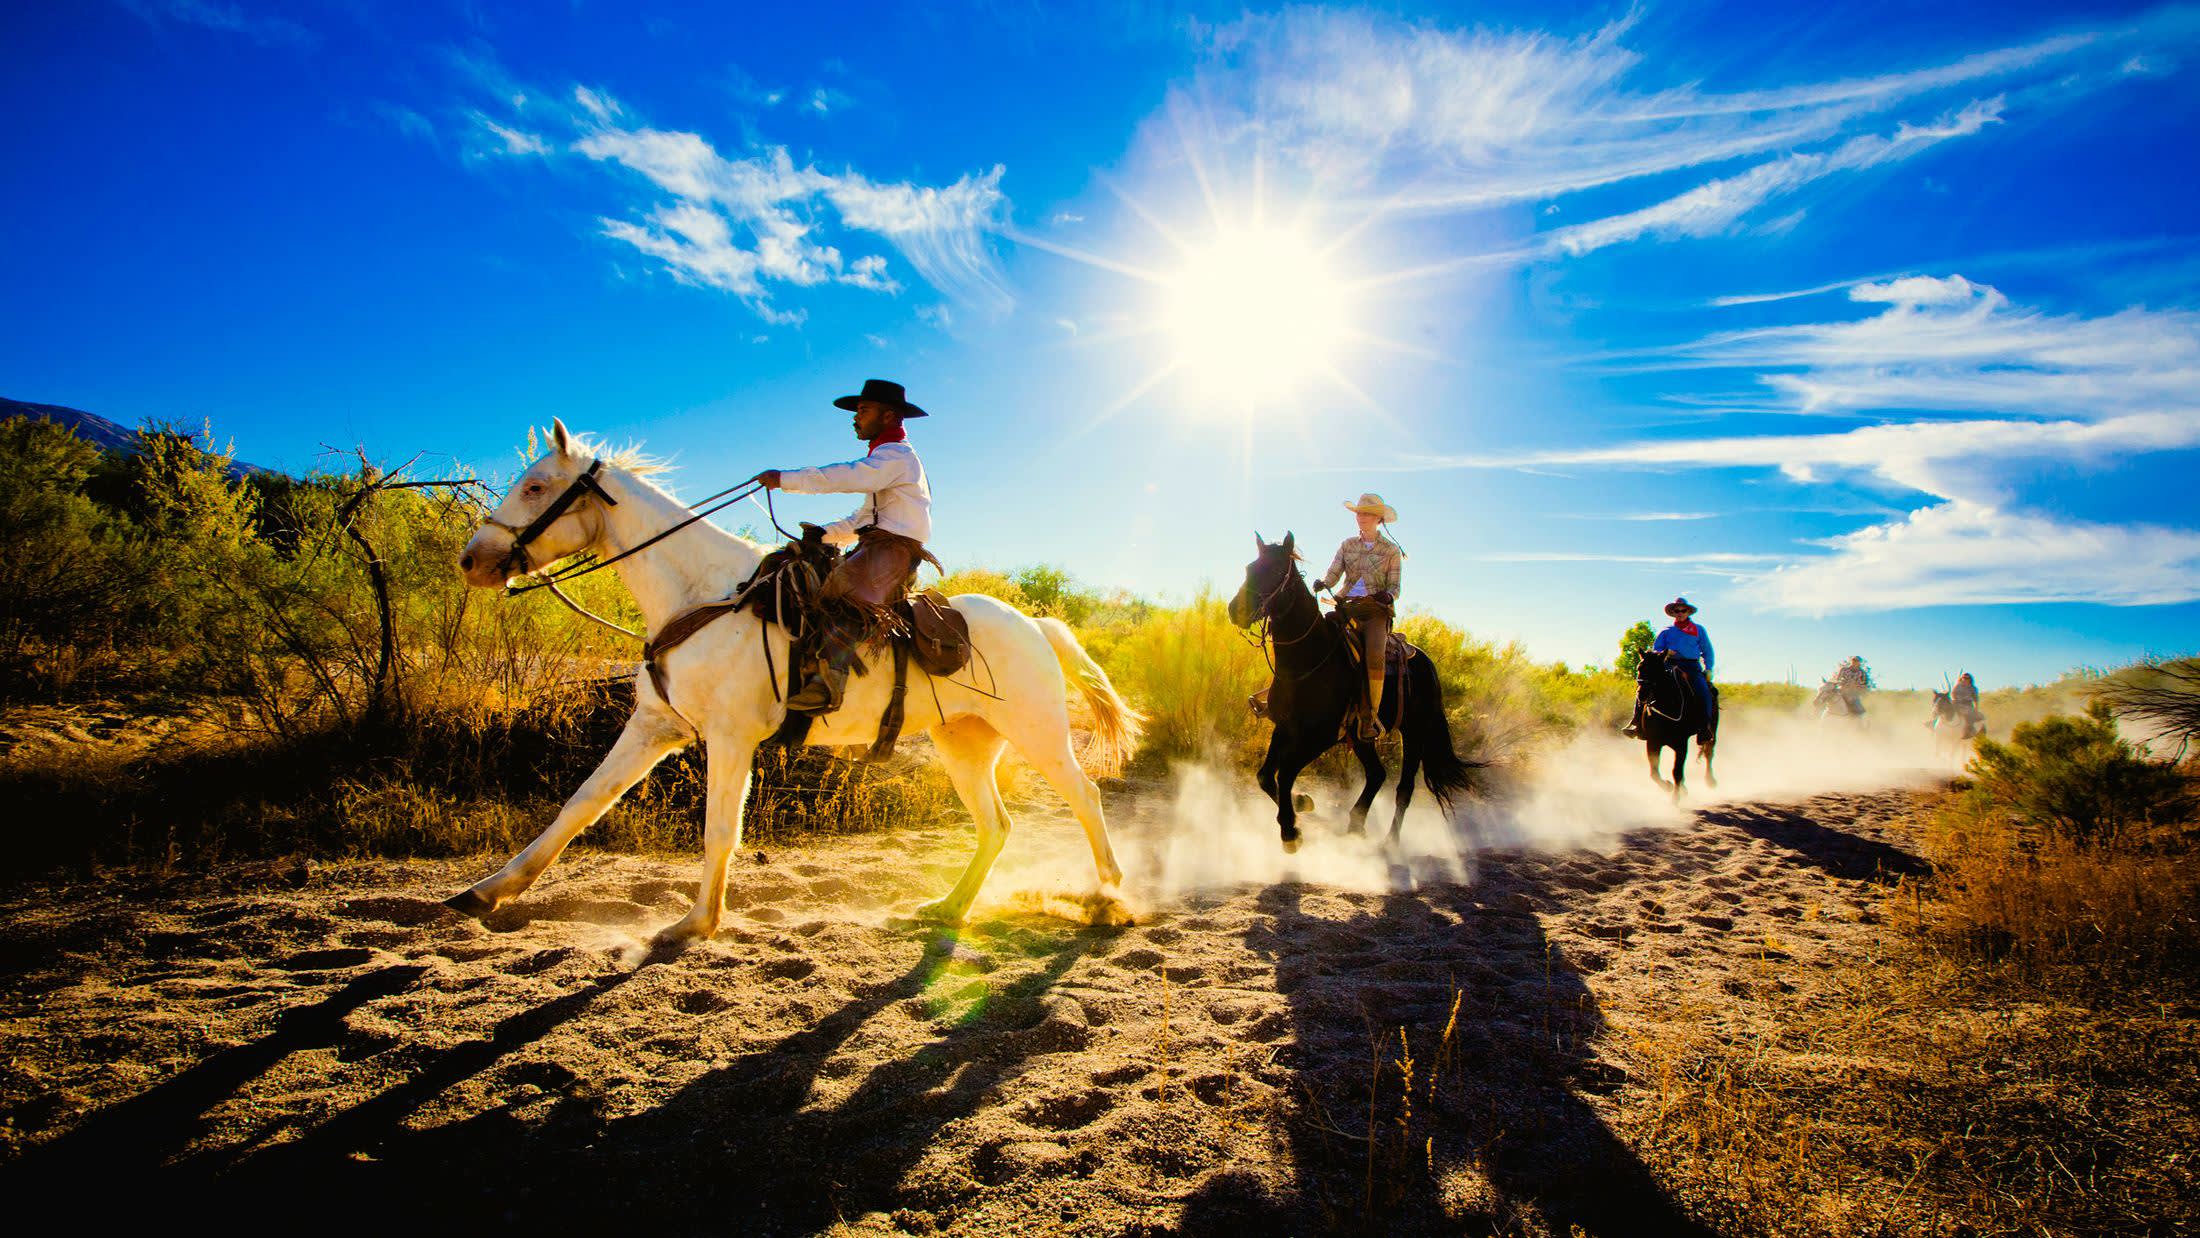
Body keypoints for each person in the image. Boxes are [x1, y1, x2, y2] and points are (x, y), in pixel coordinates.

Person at [750, 378, 935, 714]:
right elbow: (861, 521)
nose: (855, 418)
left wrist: (785, 479)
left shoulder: (897, 456)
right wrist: (823, 534)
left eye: (863, 410)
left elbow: (849, 476)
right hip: (875, 545)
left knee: (843, 591)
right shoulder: (883, 459)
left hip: (896, 550)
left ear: (889, 415)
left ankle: (829, 684)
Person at [1313, 493, 1405, 740]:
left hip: (1375, 611)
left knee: (1374, 656)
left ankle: (1369, 717)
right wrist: (1324, 583)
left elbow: (1395, 587)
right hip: (1346, 607)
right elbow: (1333, 573)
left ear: (1378, 519)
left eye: (1367, 514)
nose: (1361, 517)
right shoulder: (1347, 545)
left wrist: (1388, 595)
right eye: (1359, 513)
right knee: (1318, 640)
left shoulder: (1391, 550)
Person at [1623, 597, 1716, 738]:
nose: (1680, 613)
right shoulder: (1666, 631)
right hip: (1669, 665)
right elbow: (1656, 650)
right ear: (1673, 613)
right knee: (1645, 687)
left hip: (1691, 666)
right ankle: (1637, 723)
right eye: (1677, 611)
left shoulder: (1698, 630)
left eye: (1683, 610)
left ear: (1688, 612)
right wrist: (1665, 652)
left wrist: (1708, 668)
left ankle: (1704, 727)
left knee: (1703, 691)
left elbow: (1707, 650)